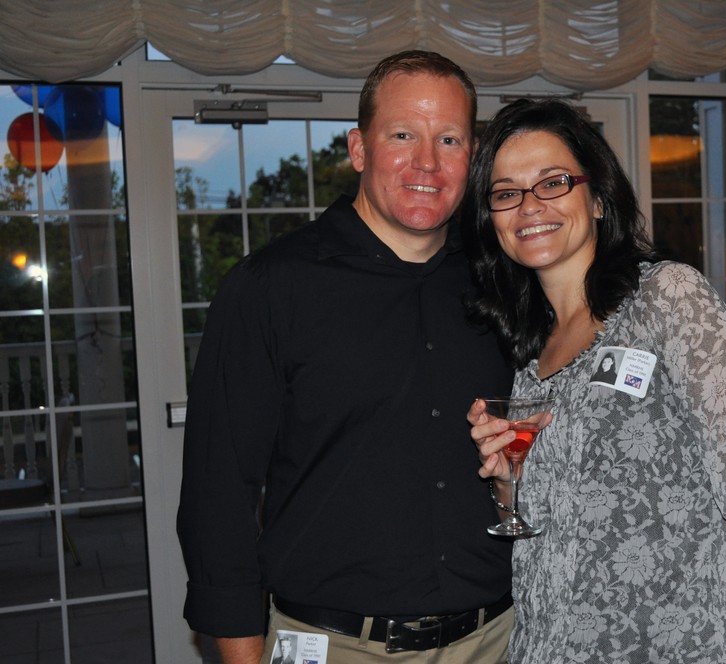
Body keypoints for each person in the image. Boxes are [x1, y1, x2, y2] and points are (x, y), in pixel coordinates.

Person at [462, 99, 726, 663]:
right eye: (506, 193)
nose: (530, 205)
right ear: (493, 219)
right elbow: (555, 528)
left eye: (553, 182)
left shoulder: (667, 299)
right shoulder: (530, 354)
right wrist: (509, 481)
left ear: (598, 198)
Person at [176, 50, 515, 664]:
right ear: (359, 149)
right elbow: (217, 495)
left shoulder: (503, 284)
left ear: (472, 157)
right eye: (403, 135)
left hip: (498, 639)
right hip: (332, 646)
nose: (427, 162)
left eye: (449, 140)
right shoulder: (270, 288)